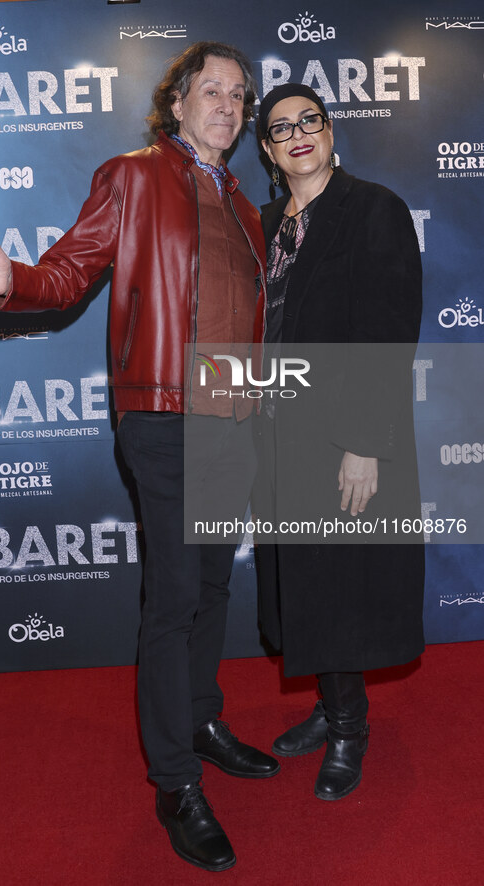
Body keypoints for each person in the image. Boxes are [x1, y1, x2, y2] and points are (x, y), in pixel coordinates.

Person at [0, 42, 280, 872]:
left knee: (214, 584)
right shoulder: (133, 175)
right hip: (161, 413)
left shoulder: (246, 203)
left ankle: (199, 716)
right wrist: (5, 275)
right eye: (213, 91)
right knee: (176, 595)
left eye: (239, 95)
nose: (228, 106)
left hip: (235, 418)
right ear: (178, 100)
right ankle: (174, 781)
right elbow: (67, 273)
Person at [254, 83, 424, 801]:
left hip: (346, 433)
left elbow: (388, 331)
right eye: (279, 128)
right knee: (308, 584)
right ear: (265, 149)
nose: (296, 135)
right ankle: (329, 708)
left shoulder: (373, 209)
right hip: (279, 433)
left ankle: (350, 726)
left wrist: (364, 443)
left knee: (345, 581)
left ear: (329, 133)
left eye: (309, 122)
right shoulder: (262, 221)